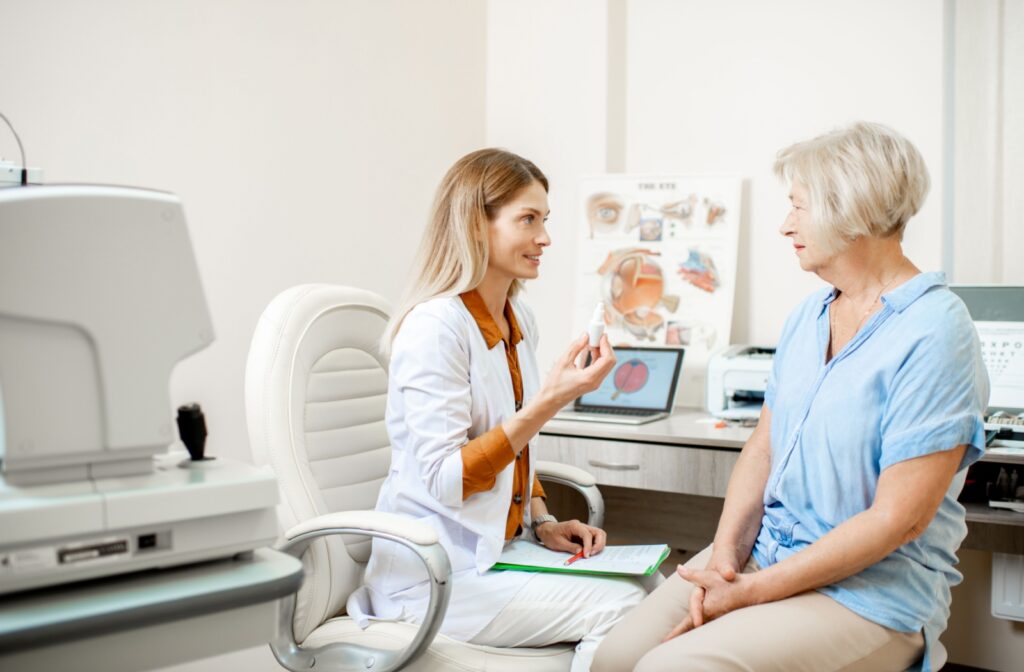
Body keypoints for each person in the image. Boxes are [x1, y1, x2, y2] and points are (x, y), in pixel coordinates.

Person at [593, 122, 989, 672]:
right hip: (763, 557)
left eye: (798, 207)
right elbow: (763, 446)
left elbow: (899, 520)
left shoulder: (935, 331)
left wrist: (750, 594)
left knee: (672, 669)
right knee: (611, 660)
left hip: (868, 594)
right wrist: (727, 560)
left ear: (849, 207)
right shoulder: (810, 316)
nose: (785, 226)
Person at [348, 148, 647, 671]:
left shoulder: (517, 318)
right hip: (435, 576)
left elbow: (514, 451)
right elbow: (445, 478)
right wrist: (552, 399)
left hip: (497, 554)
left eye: (545, 220)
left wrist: (544, 519)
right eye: (528, 220)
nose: (546, 238)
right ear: (476, 226)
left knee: (652, 585)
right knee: (627, 605)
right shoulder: (434, 327)